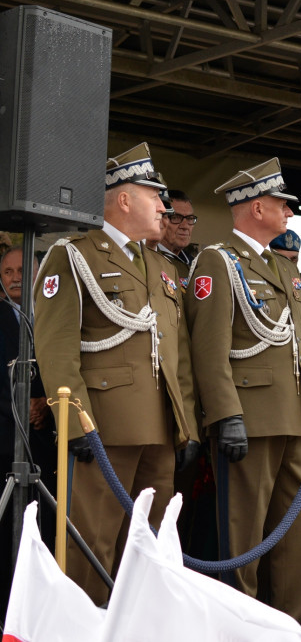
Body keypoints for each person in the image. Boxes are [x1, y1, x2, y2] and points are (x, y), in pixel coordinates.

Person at [34, 143, 200, 605]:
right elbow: (56, 349)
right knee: (92, 544)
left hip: (159, 430)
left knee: (149, 551)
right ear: (124, 200)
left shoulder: (161, 266)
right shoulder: (74, 255)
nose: (165, 209)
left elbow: (177, 356)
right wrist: (75, 422)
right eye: (154, 197)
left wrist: (185, 426)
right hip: (103, 430)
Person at [185, 157, 301, 623]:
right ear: (256, 207)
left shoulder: (283, 269)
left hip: (292, 415)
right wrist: (226, 415)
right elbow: (209, 348)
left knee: (299, 535)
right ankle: (239, 628)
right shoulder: (217, 260)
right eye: (282, 204)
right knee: (243, 538)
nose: (289, 213)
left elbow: (299, 349)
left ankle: (291, 626)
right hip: (250, 416)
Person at [0, 248, 56, 618]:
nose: (15, 276)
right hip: (5, 445)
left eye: (22, 269)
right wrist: (24, 408)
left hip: (47, 448)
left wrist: (46, 407)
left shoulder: (52, 312)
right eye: (7, 271)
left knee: (45, 534)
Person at [157, 189, 198, 279]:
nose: (185, 226)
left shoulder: (196, 265)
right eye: (176, 217)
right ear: (161, 220)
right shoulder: (147, 259)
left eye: (190, 218)